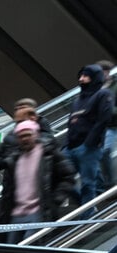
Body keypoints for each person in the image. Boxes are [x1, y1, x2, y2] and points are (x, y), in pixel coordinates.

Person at [0, 120, 76, 243]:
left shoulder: (48, 154)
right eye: (21, 136)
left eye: (28, 135)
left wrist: (55, 200)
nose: (25, 139)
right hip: (16, 214)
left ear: (36, 134)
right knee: (11, 251)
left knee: (29, 248)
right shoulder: (14, 159)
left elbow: (68, 175)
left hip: (38, 213)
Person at [64, 63, 114, 212]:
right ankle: (86, 208)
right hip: (71, 147)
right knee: (63, 180)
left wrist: (89, 143)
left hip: (88, 147)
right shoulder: (77, 100)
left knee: (87, 183)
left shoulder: (103, 94)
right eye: (81, 76)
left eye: (86, 76)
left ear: (94, 78)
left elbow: (103, 119)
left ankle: (88, 215)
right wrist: (66, 145)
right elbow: (71, 123)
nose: (82, 79)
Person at [0, 98, 54, 177]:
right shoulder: (12, 134)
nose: (19, 111)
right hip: (13, 179)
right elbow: (0, 154)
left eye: (23, 108)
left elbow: (46, 143)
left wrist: (11, 159)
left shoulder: (41, 128)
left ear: (32, 112)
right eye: (17, 109)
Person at [97, 60, 117, 195]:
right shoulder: (97, 88)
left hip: (113, 124)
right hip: (101, 126)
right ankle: (105, 184)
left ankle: (109, 183)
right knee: (100, 153)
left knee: (104, 150)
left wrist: (108, 110)